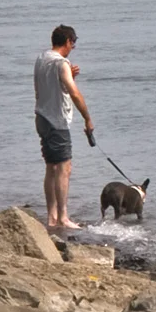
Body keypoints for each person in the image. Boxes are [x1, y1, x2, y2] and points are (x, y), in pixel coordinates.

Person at [35, 24, 94, 231]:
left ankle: (51, 216)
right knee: (64, 168)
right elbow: (75, 94)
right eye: (73, 43)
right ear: (68, 41)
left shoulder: (42, 58)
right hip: (56, 120)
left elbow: (44, 88)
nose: (73, 47)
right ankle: (63, 217)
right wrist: (87, 118)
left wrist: (70, 76)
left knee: (51, 167)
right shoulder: (61, 64)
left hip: (41, 117)